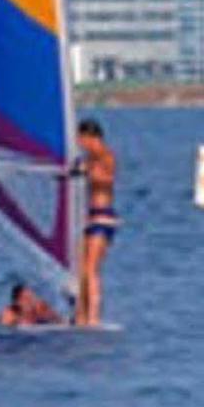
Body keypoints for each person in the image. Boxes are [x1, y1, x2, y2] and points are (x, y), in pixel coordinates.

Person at [72, 118, 119, 326]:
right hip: (89, 217)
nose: (79, 144)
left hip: (103, 216)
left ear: (91, 138)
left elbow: (107, 181)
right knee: (81, 269)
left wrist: (87, 173)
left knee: (91, 268)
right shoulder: (88, 158)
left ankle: (93, 317)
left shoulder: (106, 156)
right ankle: (81, 316)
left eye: (81, 140)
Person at [0, 280, 65, 327]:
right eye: (27, 299)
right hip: (5, 324)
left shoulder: (39, 306)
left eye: (32, 297)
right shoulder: (11, 313)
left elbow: (60, 321)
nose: (31, 301)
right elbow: (1, 327)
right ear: (18, 302)